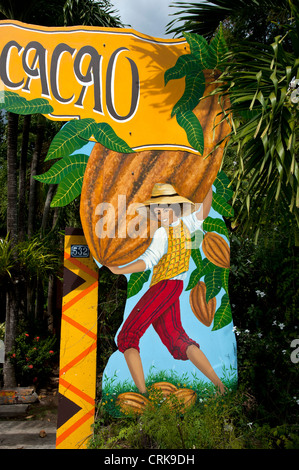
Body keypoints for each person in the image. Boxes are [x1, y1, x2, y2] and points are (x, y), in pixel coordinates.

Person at [107, 183, 226, 395]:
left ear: (174, 208)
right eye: (157, 210)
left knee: (127, 336)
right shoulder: (186, 224)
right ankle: (219, 385)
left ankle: (143, 397)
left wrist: (120, 270)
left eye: (163, 209)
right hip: (174, 287)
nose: (160, 214)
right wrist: (208, 185)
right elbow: (203, 212)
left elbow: (148, 261)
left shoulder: (164, 233)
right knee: (177, 339)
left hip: (164, 286)